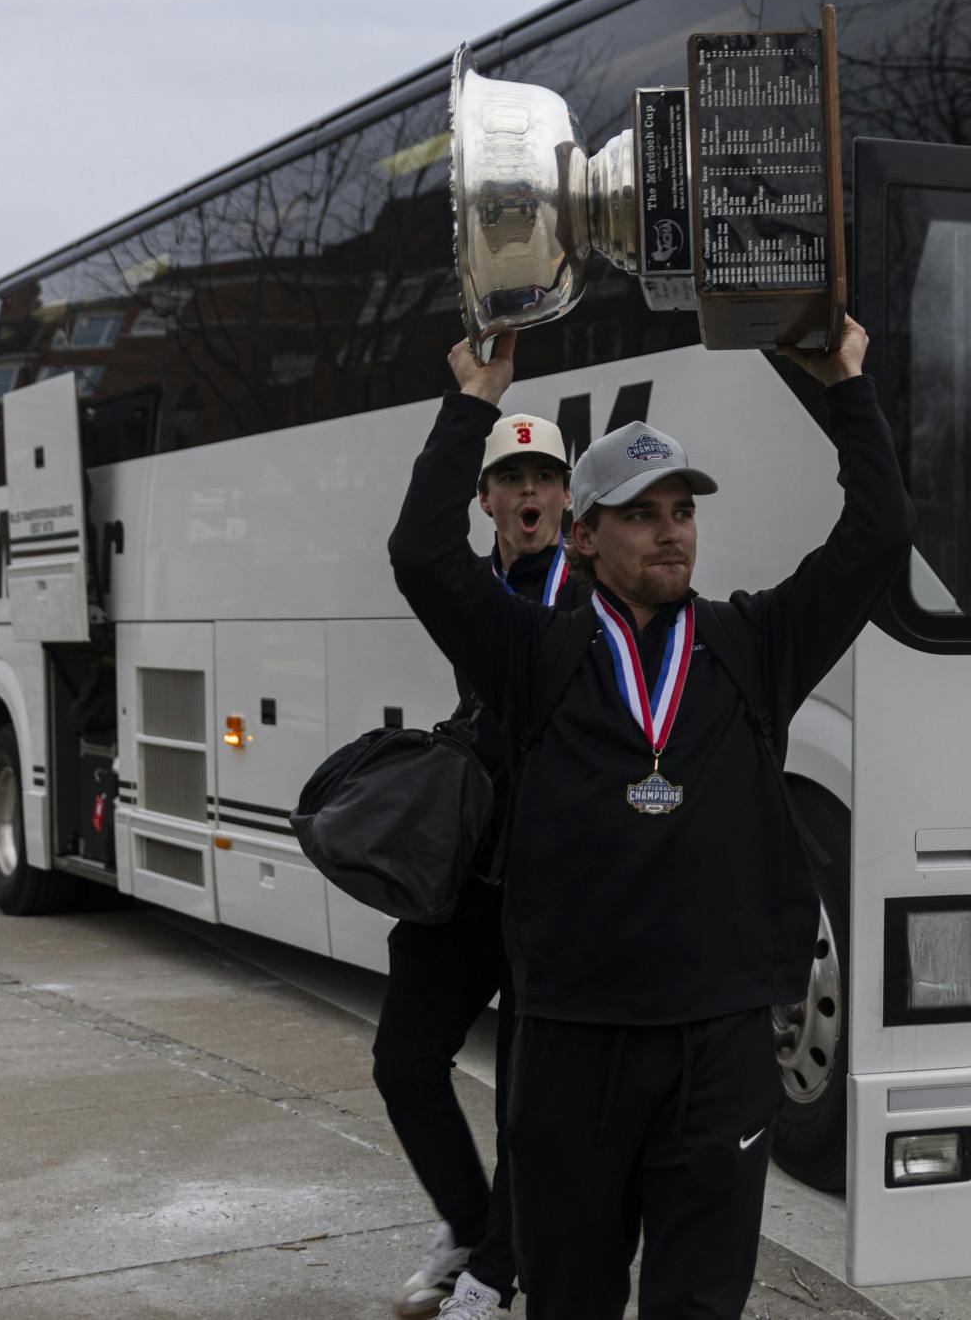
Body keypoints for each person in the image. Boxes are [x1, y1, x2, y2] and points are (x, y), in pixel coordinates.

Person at [389, 320, 913, 1320]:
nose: (669, 529)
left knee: (699, 1308)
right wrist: (475, 400)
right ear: (584, 535)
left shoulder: (751, 645)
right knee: (571, 1303)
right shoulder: (533, 656)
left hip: (717, 1054)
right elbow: (420, 554)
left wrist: (846, 382)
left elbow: (877, 536)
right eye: (637, 513)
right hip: (571, 1052)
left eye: (680, 510)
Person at [375, 410, 582, 1319]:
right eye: (510, 479)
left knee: (525, 1102)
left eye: (543, 478)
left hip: (551, 889)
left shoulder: (591, 593)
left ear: (569, 499)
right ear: (486, 499)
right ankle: (467, 1227)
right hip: (465, 879)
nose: (527, 493)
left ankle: (497, 1274)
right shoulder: (472, 588)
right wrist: (469, 404)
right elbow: (416, 548)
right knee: (403, 1056)